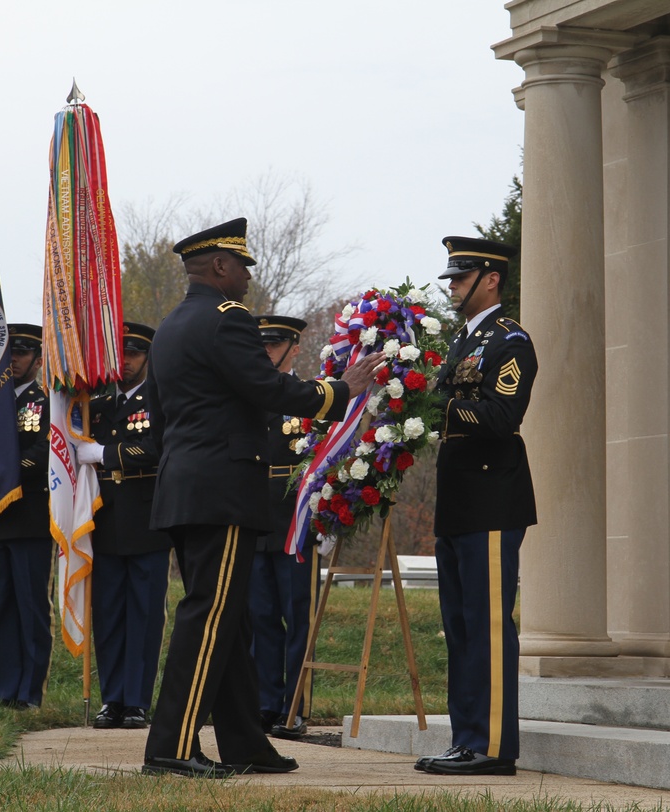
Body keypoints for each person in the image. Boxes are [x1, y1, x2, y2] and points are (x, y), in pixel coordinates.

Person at [141, 218, 383, 779]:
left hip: (185, 488)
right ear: (219, 266)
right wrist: (341, 389)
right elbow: (268, 388)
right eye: (242, 265)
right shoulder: (227, 321)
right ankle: (170, 748)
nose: (248, 276)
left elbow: (157, 414)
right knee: (209, 616)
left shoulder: (173, 325)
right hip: (222, 491)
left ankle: (247, 744)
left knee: (232, 622)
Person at [415, 236, 538, 777]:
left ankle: (490, 747)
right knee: (461, 626)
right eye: (450, 279)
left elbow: (501, 415)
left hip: (492, 499)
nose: (452, 287)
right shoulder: (462, 343)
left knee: (488, 626)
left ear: (491, 279)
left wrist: (433, 405)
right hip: (459, 500)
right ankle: (465, 739)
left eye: (460, 279)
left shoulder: (510, 341)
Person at [77, 322, 173, 731]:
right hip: (104, 519)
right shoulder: (95, 405)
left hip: (147, 518)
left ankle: (136, 701)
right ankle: (111, 699)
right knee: (109, 614)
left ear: (147, 356)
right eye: (122, 353)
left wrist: (104, 452)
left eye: (134, 353)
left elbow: (157, 448)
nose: (128, 361)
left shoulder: (160, 399)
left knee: (144, 615)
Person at [0, 324, 54, 709]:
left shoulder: (47, 400)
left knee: (31, 606)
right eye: (10, 353)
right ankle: (4, 690)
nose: (15, 360)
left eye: (23, 353)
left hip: (30, 518)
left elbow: (46, 450)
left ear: (38, 360)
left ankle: (29, 692)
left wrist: (5, 471)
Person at [250, 315, 319, 740]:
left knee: (298, 616)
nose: (267, 351)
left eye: (275, 344)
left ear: (294, 347)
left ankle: (295, 706)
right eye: (262, 344)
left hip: (296, 520)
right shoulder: (249, 396)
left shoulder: (310, 396)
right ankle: (265, 702)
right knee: (260, 617)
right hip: (256, 518)